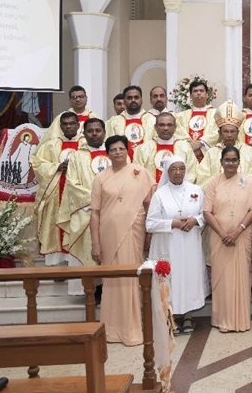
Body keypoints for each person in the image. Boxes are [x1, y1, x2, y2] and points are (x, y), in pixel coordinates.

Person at [90, 135, 155, 345]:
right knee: (112, 279)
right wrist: (95, 243)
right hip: (108, 235)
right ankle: (112, 330)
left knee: (132, 278)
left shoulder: (140, 172)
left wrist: (150, 234)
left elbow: (149, 205)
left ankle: (133, 329)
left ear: (127, 151)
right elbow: (95, 213)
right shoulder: (100, 178)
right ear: (107, 154)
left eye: (121, 149)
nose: (117, 152)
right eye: (113, 149)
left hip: (135, 231)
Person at [146, 156, 206, 336]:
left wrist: (195, 220)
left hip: (190, 246)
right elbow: (150, 224)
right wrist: (172, 223)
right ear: (167, 171)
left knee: (189, 277)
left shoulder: (196, 190)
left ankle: (188, 317)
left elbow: (205, 215)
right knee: (171, 280)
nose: (178, 172)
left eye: (181, 168)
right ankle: (170, 318)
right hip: (168, 246)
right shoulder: (160, 194)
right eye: (174, 169)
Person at [203, 146, 252, 333]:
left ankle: (240, 320)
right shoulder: (213, 184)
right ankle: (222, 319)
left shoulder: (249, 182)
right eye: (227, 160)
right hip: (219, 238)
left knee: (241, 277)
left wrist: (237, 231)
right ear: (221, 162)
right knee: (222, 278)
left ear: (239, 162)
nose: (231, 163)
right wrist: (222, 233)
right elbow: (207, 211)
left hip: (241, 237)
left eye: (234, 160)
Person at [57, 118, 110, 277]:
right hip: (86, 210)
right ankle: (88, 285)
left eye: (98, 130)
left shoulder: (115, 153)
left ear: (104, 132)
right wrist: (97, 200)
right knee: (88, 249)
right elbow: (72, 184)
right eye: (90, 131)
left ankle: (108, 285)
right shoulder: (77, 157)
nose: (94, 134)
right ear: (84, 134)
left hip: (112, 210)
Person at [31, 111, 81, 265]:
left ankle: (77, 260)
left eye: (71, 123)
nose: (68, 127)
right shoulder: (50, 145)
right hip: (56, 191)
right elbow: (37, 163)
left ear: (78, 125)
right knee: (56, 226)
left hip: (78, 195)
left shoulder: (86, 144)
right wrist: (57, 167)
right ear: (60, 126)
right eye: (65, 124)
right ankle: (56, 263)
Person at [197, 100, 252, 185]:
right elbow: (202, 179)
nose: (229, 135)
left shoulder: (249, 152)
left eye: (232, 131)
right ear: (220, 133)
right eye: (225, 131)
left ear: (237, 133)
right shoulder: (211, 153)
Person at [134, 112, 198, 184]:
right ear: (155, 127)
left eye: (169, 125)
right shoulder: (144, 148)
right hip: (151, 190)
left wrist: (180, 187)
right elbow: (138, 173)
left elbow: (192, 172)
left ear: (175, 127)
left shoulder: (184, 147)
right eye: (162, 125)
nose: (166, 128)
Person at [107, 86, 157, 160]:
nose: (133, 100)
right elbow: (109, 146)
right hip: (121, 164)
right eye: (129, 98)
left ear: (141, 100)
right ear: (124, 101)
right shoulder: (114, 122)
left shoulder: (152, 120)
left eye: (136, 97)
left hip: (146, 162)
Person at [175, 79, 219, 162]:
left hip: (209, 155)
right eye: (195, 91)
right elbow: (178, 133)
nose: (198, 93)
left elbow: (218, 131)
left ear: (207, 94)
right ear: (190, 96)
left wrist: (201, 143)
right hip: (188, 153)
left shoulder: (216, 114)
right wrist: (190, 145)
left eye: (201, 91)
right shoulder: (181, 116)